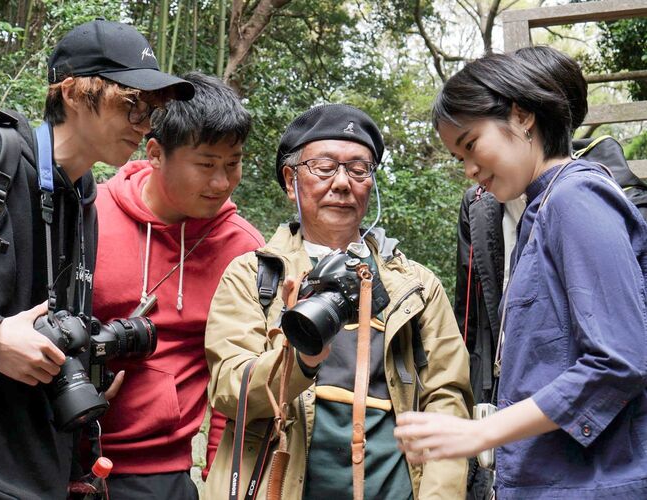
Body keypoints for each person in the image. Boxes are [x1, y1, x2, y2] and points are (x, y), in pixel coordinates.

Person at [0, 19, 193, 499]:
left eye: (152, 112)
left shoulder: (85, 199)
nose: (143, 125)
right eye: (132, 104)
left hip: (40, 475)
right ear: (74, 93)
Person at [395, 51, 647, 499]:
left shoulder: (577, 197)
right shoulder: (540, 210)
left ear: (522, 115)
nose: (470, 170)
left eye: (471, 144)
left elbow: (619, 358)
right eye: (459, 158)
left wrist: (481, 433)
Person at [204, 104, 472, 499]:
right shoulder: (255, 275)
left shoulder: (415, 287)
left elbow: (447, 401)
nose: (343, 183)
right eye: (325, 167)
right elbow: (230, 389)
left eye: (359, 169)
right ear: (290, 180)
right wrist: (300, 358)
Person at [91, 71, 264, 500]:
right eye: (206, 164)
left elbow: (237, 378)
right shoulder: (88, 215)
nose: (222, 183)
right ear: (154, 152)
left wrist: (227, 484)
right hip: (56, 452)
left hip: (161, 473)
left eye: (233, 163)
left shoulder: (243, 248)